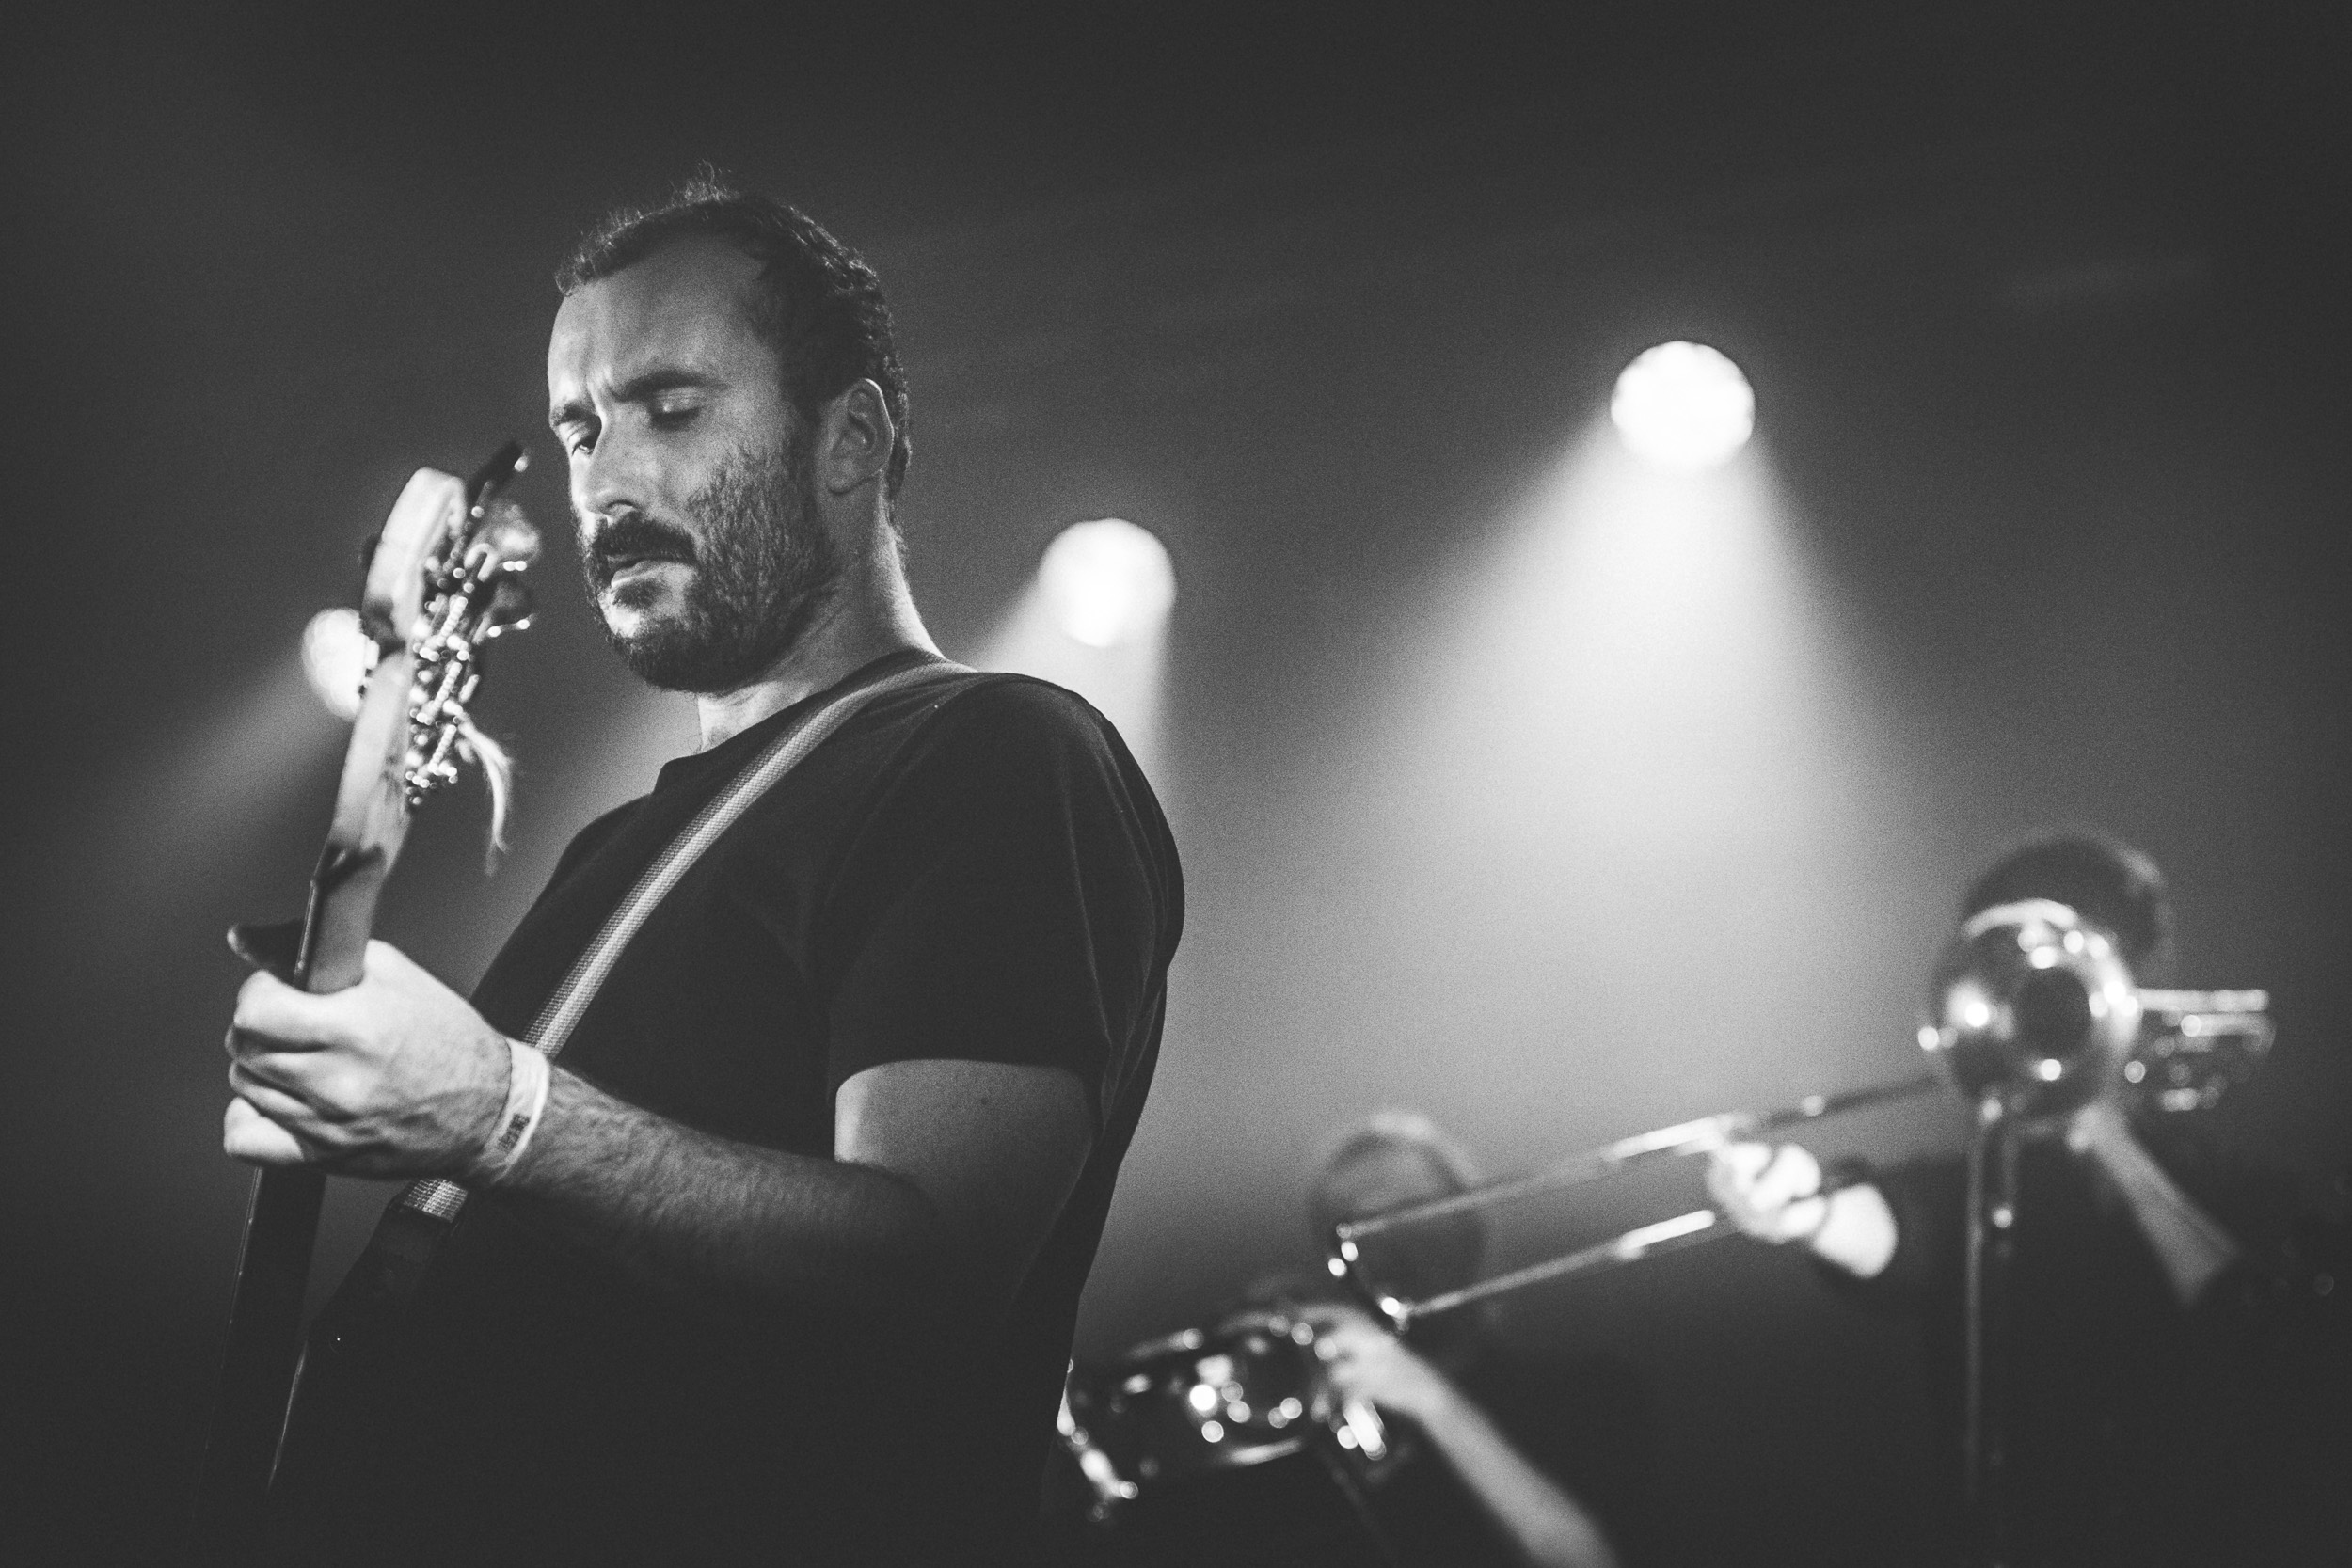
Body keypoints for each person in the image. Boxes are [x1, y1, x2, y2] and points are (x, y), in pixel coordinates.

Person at [222, 179, 1184, 1566]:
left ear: (849, 439)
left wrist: (502, 1111)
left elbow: (933, 1281)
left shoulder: (996, 751)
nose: (605, 483)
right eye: (580, 429)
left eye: (671, 409)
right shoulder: (616, 843)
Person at [1707, 833, 2349, 1565]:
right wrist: (1809, 1207)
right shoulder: (1982, 1181)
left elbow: (2263, 1330)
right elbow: (1902, 1230)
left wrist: (2106, 1138)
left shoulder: (2238, 1168)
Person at [1279, 1112, 1646, 1568]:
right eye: (1354, 1222)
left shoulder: (1588, 1390)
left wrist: (1431, 1401)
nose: (1390, 1243)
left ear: (1470, 1226)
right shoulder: (1320, 1429)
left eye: (1411, 1210)